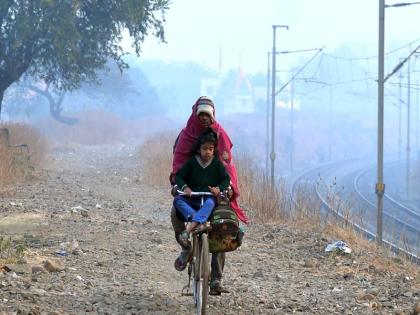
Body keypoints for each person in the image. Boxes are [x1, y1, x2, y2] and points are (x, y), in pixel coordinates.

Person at [170, 96, 248, 295]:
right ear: (195, 114)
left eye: (208, 114)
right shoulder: (186, 136)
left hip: (213, 190)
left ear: (213, 115)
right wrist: (178, 184)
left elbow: (227, 166)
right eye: (201, 114)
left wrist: (228, 189)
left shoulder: (220, 134)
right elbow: (179, 165)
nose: (204, 118)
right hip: (192, 190)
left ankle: (216, 279)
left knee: (222, 223)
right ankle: (186, 246)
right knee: (175, 211)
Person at [173, 131, 230, 245]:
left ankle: (188, 230)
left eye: (211, 149)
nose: (208, 152)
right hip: (192, 197)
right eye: (204, 148)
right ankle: (198, 220)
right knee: (177, 200)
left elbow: (226, 179)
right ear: (199, 149)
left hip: (208, 197)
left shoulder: (217, 164)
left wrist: (218, 189)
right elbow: (179, 176)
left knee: (210, 203)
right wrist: (185, 188)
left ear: (214, 150)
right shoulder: (192, 162)